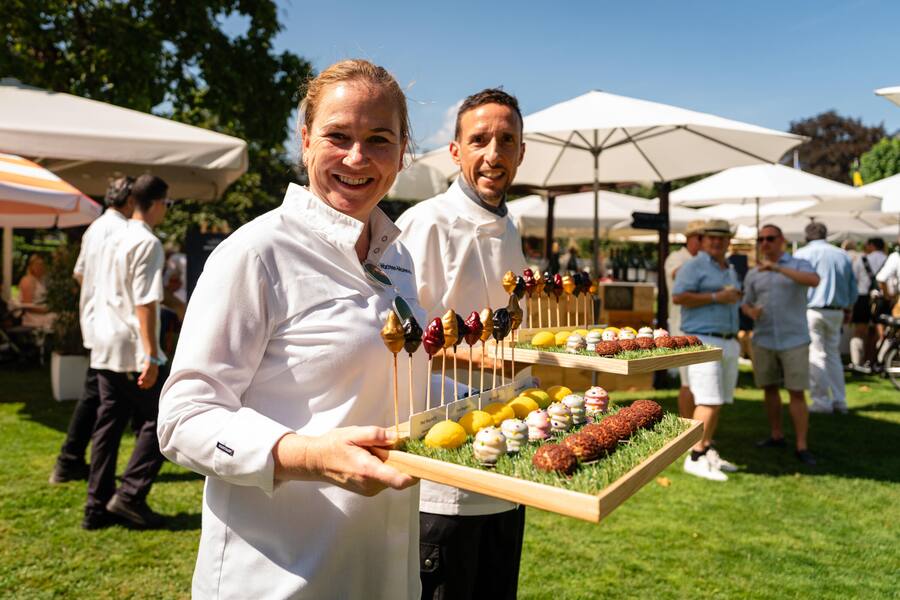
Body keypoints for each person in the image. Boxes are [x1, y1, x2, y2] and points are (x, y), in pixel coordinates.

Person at [157, 60, 424, 598]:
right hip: (279, 576)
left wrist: (497, 399)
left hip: (385, 570)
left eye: (379, 139)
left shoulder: (399, 258)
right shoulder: (255, 253)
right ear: (305, 140)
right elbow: (183, 418)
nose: (357, 157)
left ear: (401, 152)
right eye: (338, 136)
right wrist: (308, 455)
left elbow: (392, 383)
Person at [396, 88, 527, 600]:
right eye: (479, 140)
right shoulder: (425, 222)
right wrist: (482, 354)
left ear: (520, 151)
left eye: (506, 140)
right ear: (456, 151)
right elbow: (400, 335)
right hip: (446, 464)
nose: (493, 153)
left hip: (508, 447)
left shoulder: (511, 224)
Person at [83, 174, 171, 530]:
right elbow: (145, 303)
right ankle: (130, 496)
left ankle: (95, 507)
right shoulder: (147, 242)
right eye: (168, 204)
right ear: (156, 203)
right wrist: (151, 355)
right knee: (165, 420)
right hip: (132, 346)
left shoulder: (110, 236)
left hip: (104, 340)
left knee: (107, 428)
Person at [49, 177, 135, 484]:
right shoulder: (125, 230)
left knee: (92, 394)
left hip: (96, 323)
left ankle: (68, 461)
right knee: (113, 404)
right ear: (129, 201)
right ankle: (98, 483)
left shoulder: (94, 228)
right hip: (117, 327)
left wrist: (95, 301)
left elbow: (79, 273)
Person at [741, 224, 820, 465]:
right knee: (769, 388)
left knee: (796, 391)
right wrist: (751, 311)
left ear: (781, 240)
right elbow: (745, 302)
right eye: (761, 239)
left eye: (770, 238)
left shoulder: (797, 264)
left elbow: (814, 280)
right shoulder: (754, 273)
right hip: (764, 338)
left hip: (793, 339)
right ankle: (776, 435)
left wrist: (776, 268)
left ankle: (801, 445)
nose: (765, 243)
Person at [672, 219, 741, 482]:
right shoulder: (693, 266)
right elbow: (678, 296)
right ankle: (695, 455)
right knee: (708, 400)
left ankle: (707, 446)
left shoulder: (728, 268)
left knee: (718, 399)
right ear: (702, 239)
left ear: (728, 241)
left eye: (721, 237)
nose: (716, 241)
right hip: (703, 340)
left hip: (727, 340)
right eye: (711, 237)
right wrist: (716, 297)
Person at [794, 222, 857, 414]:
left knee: (817, 354)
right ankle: (840, 401)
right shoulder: (841, 254)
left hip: (812, 310)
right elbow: (852, 288)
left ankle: (821, 402)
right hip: (836, 310)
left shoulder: (802, 254)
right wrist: (848, 308)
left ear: (807, 236)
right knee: (833, 355)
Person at [664, 219, 705, 418]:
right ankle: (688, 427)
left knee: (703, 381)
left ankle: (699, 428)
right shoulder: (676, 258)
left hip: (704, 325)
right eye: (702, 237)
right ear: (690, 239)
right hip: (683, 325)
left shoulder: (704, 260)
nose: (706, 242)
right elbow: (679, 275)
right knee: (688, 381)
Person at [849, 237, 887, 368]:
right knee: (877, 332)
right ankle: (873, 361)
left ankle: (857, 363)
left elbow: (853, 279)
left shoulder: (862, 259)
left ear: (872, 245)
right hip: (883, 299)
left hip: (862, 297)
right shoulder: (888, 259)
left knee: (859, 331)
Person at [17, 254, 56, 330]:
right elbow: (27, 305)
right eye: (37, 265)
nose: (40, 267)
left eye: (42, 265)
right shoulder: (28, 280)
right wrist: (45, 311)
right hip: (32, 316)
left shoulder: (40, 281)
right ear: (31, 266)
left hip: (41, 313)